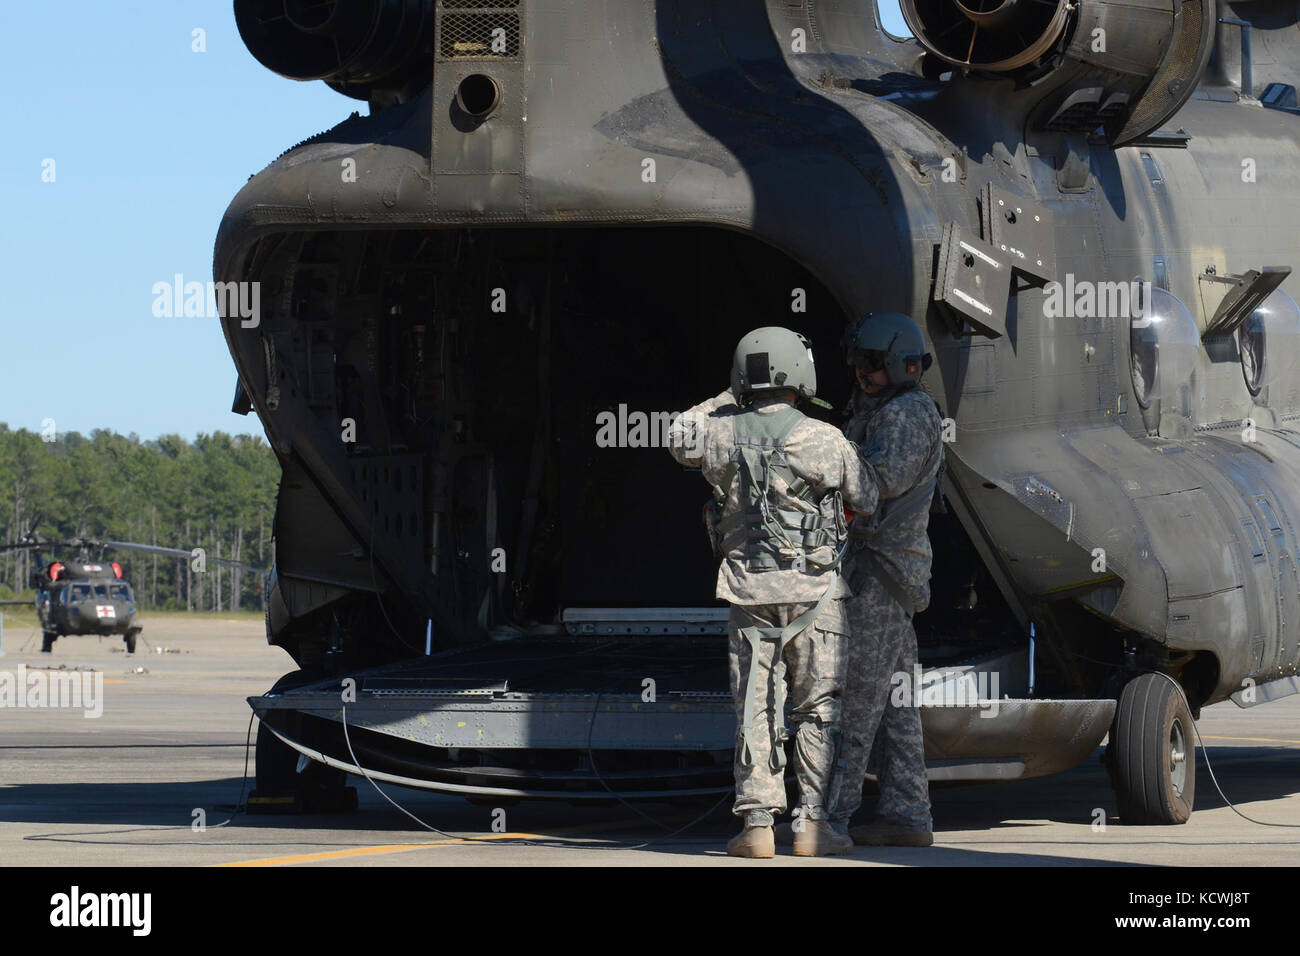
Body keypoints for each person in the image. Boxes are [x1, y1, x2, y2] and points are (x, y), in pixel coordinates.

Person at [668, 327, 878, 858]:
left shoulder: (717, 435)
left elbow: (677, 434)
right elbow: (868, 496)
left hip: (748, 597)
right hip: (816, 598)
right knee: (818, 709)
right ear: (799, 375)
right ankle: (812, 825)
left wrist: (730, 395)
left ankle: (758, 825)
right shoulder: (823, 439)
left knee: (755, 708)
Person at [828, 312, 944, 846]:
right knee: (897, 706)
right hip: (886, 575)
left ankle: (830, 817)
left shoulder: (906, 415)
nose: (862, 373)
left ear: (901, 364)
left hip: (879, 575)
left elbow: (878, 484)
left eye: (873, 364)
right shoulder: (877, 409)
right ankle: (907, 814)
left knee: (856, 701)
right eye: (858, 362)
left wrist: (817, 460)